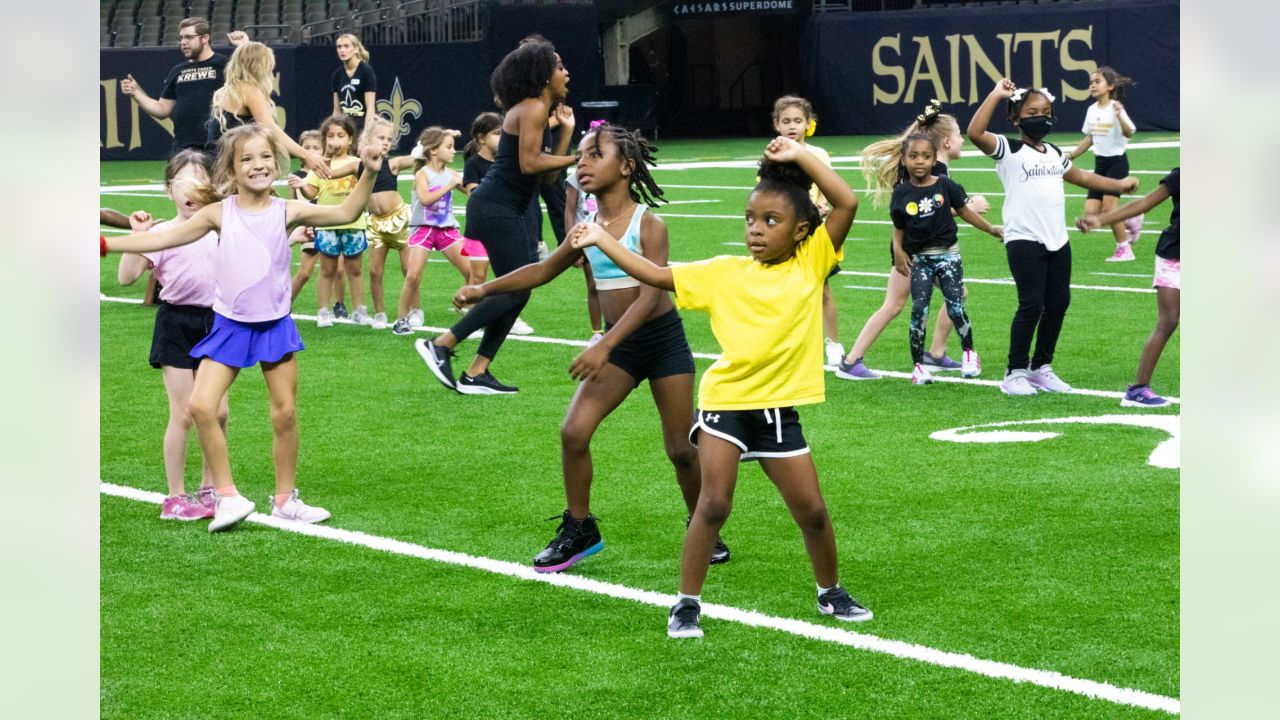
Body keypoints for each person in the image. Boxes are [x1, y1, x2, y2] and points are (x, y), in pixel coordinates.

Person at [570, 136, 872, 638]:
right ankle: (687, 602)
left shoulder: (812, 261)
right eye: (750, 220)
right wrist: (604, 241)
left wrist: (800, 156)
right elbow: (656, 275)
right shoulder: (723, 272)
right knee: (712, 504)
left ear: (801, 231)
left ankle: (830, 591)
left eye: (770, 222)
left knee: (813, 511)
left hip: (776, 410)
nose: (755, 230)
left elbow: (846, 202)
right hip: (726, 405)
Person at [454, 124, 730, 573]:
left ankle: (706, 528)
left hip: (660, 342)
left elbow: (651, 298)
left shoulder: (648, 224)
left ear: (626, 166)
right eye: (580, 156)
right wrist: (484, 290)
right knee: (573, 433)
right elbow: (542, 270)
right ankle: (581, 528)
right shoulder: (587, 228)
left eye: (594, 154)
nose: (581, 163)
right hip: (618, 347)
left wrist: (604, 343)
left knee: (681, 449)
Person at [101, 124, 384, 532]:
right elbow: (161, 241)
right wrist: (106, 244)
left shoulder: (287, 210)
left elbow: (345, 212)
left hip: (275, 325)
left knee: (284, 413)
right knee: (200, 406)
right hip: (231, 326)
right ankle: (227, 496)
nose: (258, 165)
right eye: (246, 159)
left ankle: (285, 499)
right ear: (232, 170)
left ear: (276, 162)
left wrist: (370, 172)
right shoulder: (219, 212)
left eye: (265, 157)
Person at [418, 40, 575, 395]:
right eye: (560, 66)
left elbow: (546, 177)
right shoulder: (532, 107)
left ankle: (476, 373)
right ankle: (442, 344)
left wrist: (565, 134)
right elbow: (530, 164)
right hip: (495, 206)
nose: (566, 73)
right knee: (517, 287)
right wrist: (583, 158)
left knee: (519, 290)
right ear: (542, 75)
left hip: (503, 208)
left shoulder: (535, 110)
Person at [967, 80, 1139, 396]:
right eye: (1032, 112)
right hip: (1023, 239)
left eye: (1046, 112)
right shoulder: (1009, 149)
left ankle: (1040, 367)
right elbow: (975, 133)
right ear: (1016, 118)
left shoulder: (1055, 153)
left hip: (1057, 239)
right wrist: (995, 94)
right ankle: (1014, 372)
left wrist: (1119, 185)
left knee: (1058, 303)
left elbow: (1084, 177)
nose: (1041, 117)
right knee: (1031, 304)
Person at [836, 101, 991, 381]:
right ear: (945, 142)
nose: (961, 141)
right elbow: (928, 215)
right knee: (896, 305)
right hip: (914, 251)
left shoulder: (936, 170)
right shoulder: (936, 173)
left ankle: (934, 354)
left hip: (917, 248)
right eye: (958, 136)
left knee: (933, 298)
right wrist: (968, 208)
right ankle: (852, 361)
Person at [115, 150, 227, 520]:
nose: (193, 190)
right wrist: (138, 235)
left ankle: (211, 488)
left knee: (218, 411)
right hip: (177, 325)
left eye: (201, 180)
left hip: (217, 324)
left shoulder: (221, 225)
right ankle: (175, 497)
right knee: (182, 413)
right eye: (184, 182)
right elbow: (126, 277)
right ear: (169, 191)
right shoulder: (163, 233)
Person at [890, 135, 1003, 384]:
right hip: (919, 259)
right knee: (919, 310)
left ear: (934, 160)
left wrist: (991, 228)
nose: (920, 162)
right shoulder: (900, 192)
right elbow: (899, 226)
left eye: (926, 157)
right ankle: (918, 366)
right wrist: (898, 250)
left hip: (949, 256)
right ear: (904, 159)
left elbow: (964, 211)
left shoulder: (945, 185)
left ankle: (969, 354)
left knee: (955, 306)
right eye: (913, 156)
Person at [1077, 168, 1179, 407]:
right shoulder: (1182, 176)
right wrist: (1100, 220)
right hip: (1175, 255)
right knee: (1169, 320)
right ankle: (1139, 389)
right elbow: (1144, 203)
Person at [769, 96, 844, 367]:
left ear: (808, 124)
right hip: (785, 234)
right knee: (783, 290)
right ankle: (786, 345)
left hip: (814, 232)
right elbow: (767, 193)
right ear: (777, 124)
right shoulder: (773, 153)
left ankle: (833, 343)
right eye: (786, 121)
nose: (792, 126)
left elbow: (829, 185)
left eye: (798, 121)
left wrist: (822, 205)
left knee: (823, 289)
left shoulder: (819, 155)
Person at [119, 19, 248, 155]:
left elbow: (252, 79)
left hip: (219, 146)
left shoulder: (226, 64)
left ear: (205, 38)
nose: (183, 42)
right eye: (181, 38)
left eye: (189, 37)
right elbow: (162, 109)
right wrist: (135, 93)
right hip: (183, 148)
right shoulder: (177, 71)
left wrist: (244, 47)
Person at [459, 111, 536, 333]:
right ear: (482, 138)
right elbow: (473, 193)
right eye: (497, 133)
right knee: (479, 275)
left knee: (509, 276)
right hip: (480, 228)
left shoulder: (506, 163)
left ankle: (510, 317)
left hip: (504, 225)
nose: (504, 138)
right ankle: (473, 318)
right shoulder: (474, 163)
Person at [391, 127, 472, 335]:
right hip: (423, 231)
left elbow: (471, 191)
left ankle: (471, 308)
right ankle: (401, 319)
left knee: (472, 271)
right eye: (449, 147)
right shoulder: (422, 174)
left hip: (447, 230)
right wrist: (450, 186)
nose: (454, 151)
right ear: (433, 151)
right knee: (413, 276)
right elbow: (426, 199)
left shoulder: (452, 174)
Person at [207, 41, 328, 178]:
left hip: (217, 163)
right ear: (260, 67)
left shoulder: (223, 91)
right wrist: (307, 156)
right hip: (232, 166)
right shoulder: (249, 90)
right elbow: (271, 129)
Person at [296, 114, 369, 327]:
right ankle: (323, 312)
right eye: (330, 136)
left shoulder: (356, 163)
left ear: (350, 140)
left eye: (340, 135)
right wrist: (302, 186)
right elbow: (311, 192)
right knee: (327, 270)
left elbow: (367, 187)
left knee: (354, 270)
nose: (335, 140)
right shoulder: (319, 165)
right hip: (327, 224)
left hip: (354, 224)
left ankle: (359, 310)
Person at [1068, 67, 1143, 262]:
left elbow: (1129, 132)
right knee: (1091, 215)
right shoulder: (1091, 110)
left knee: (1109, 210)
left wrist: (1119, 115)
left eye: (1097, 81)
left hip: (1116, 163)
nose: (1092, 85)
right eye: (1091, 82)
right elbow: (1090, 138)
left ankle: (1124, 248)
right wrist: (1073, 155)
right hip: (1099, 165)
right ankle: (1129, 218)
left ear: (1110, 86)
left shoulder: (1116, 107)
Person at [360, 116, 419, 330]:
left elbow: (415, 156)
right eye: (380, 137)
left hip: (400, 220)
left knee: (408, 269)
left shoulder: (392, 163)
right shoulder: (358, 165)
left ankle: (415, 309)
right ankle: (380, 314)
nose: (385, 142)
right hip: (375, 224)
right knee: (375, 271)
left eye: (388, 138)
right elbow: (331, 172)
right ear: (368, 139)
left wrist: (441, 138)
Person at [288, 129, 347, 309]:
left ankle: (339, 304)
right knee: (305, 273)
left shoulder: (328, 172)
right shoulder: (296, 176)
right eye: (307, 148)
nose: (312, 151)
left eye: (316, 147)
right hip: (308, 229)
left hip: (328, 225)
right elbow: (292, 205)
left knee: (338, 269)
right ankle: (283, 305)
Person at [565, 166, 604, 344]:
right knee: (593, 284)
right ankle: (597, 332)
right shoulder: (576, 178)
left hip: (611, 234)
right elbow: (570, 211)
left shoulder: (609, 174)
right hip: (586, 237)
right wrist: (572, 246)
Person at [332, 33, 378, 131]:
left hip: (362, 125)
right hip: (346, 128)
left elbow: (370, 109)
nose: (342, 50)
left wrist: (367, 133)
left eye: (346, 46)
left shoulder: (366, 71)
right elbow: (337, 111)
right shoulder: (337, 75)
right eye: (339, 47)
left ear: (356, 49)